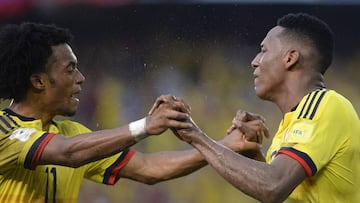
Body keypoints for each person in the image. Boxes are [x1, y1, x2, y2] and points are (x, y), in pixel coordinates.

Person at [0, 22, 260, 202]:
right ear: (39, 81)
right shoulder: (5, 131)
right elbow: (68, 153)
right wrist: (145, 126)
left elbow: (149, 168)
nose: (80, 78)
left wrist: (224, 146)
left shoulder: (71, 133)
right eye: (70, 69)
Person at [174, 12, 360, 202]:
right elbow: (284, 192)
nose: (254, 61)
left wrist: (195, 135)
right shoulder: (290, 124)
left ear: (290, 58)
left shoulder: (327, 105)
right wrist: (253, 156)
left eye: (264, 50)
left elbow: (272, 188)